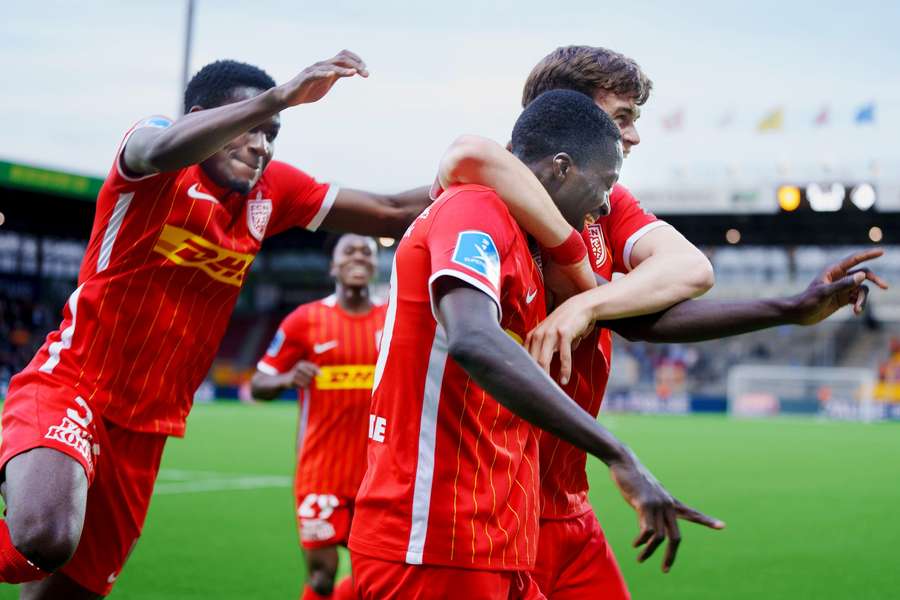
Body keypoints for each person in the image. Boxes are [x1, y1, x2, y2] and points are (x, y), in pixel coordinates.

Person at [0, 51, 585, 599]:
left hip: (149, 425)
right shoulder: (150, 161)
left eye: (272, 137)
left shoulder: (270, 193)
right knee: (47, 537)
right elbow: (160, 149)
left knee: (62, 587)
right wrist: (277, 98)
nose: (260, 147)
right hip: (74, 382)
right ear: (207, 117)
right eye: (250, 129)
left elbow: (389, 210)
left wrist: (499, 171)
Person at [436, 45, 887, 598]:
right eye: (622, 117)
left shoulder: (602, 203)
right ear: (570, 114)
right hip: (484, 506)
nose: (634, 136)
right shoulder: (481, 198)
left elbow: (687, 273)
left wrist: (590, 302)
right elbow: (465, 155)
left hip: (565, 504)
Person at [347, 89, 724, 600]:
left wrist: (790, 310)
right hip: (434, 539)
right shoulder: (474, 208)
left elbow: (643, 317)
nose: (609, 201)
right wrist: (617, 452)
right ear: (563, 168)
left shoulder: (531, 248)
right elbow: (474, 340)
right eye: (606, 182)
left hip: (498, 537)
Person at [251, 234, 385, 600]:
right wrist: (286, 377)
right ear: (333, 265)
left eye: (367, 252)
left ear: (375, 265)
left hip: (379, 478)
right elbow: (259, 384)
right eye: (349, 251)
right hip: (321, 473)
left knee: (374, 579)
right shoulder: (305, 320)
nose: (358, 256)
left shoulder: (393, 321)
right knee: (322, 577)